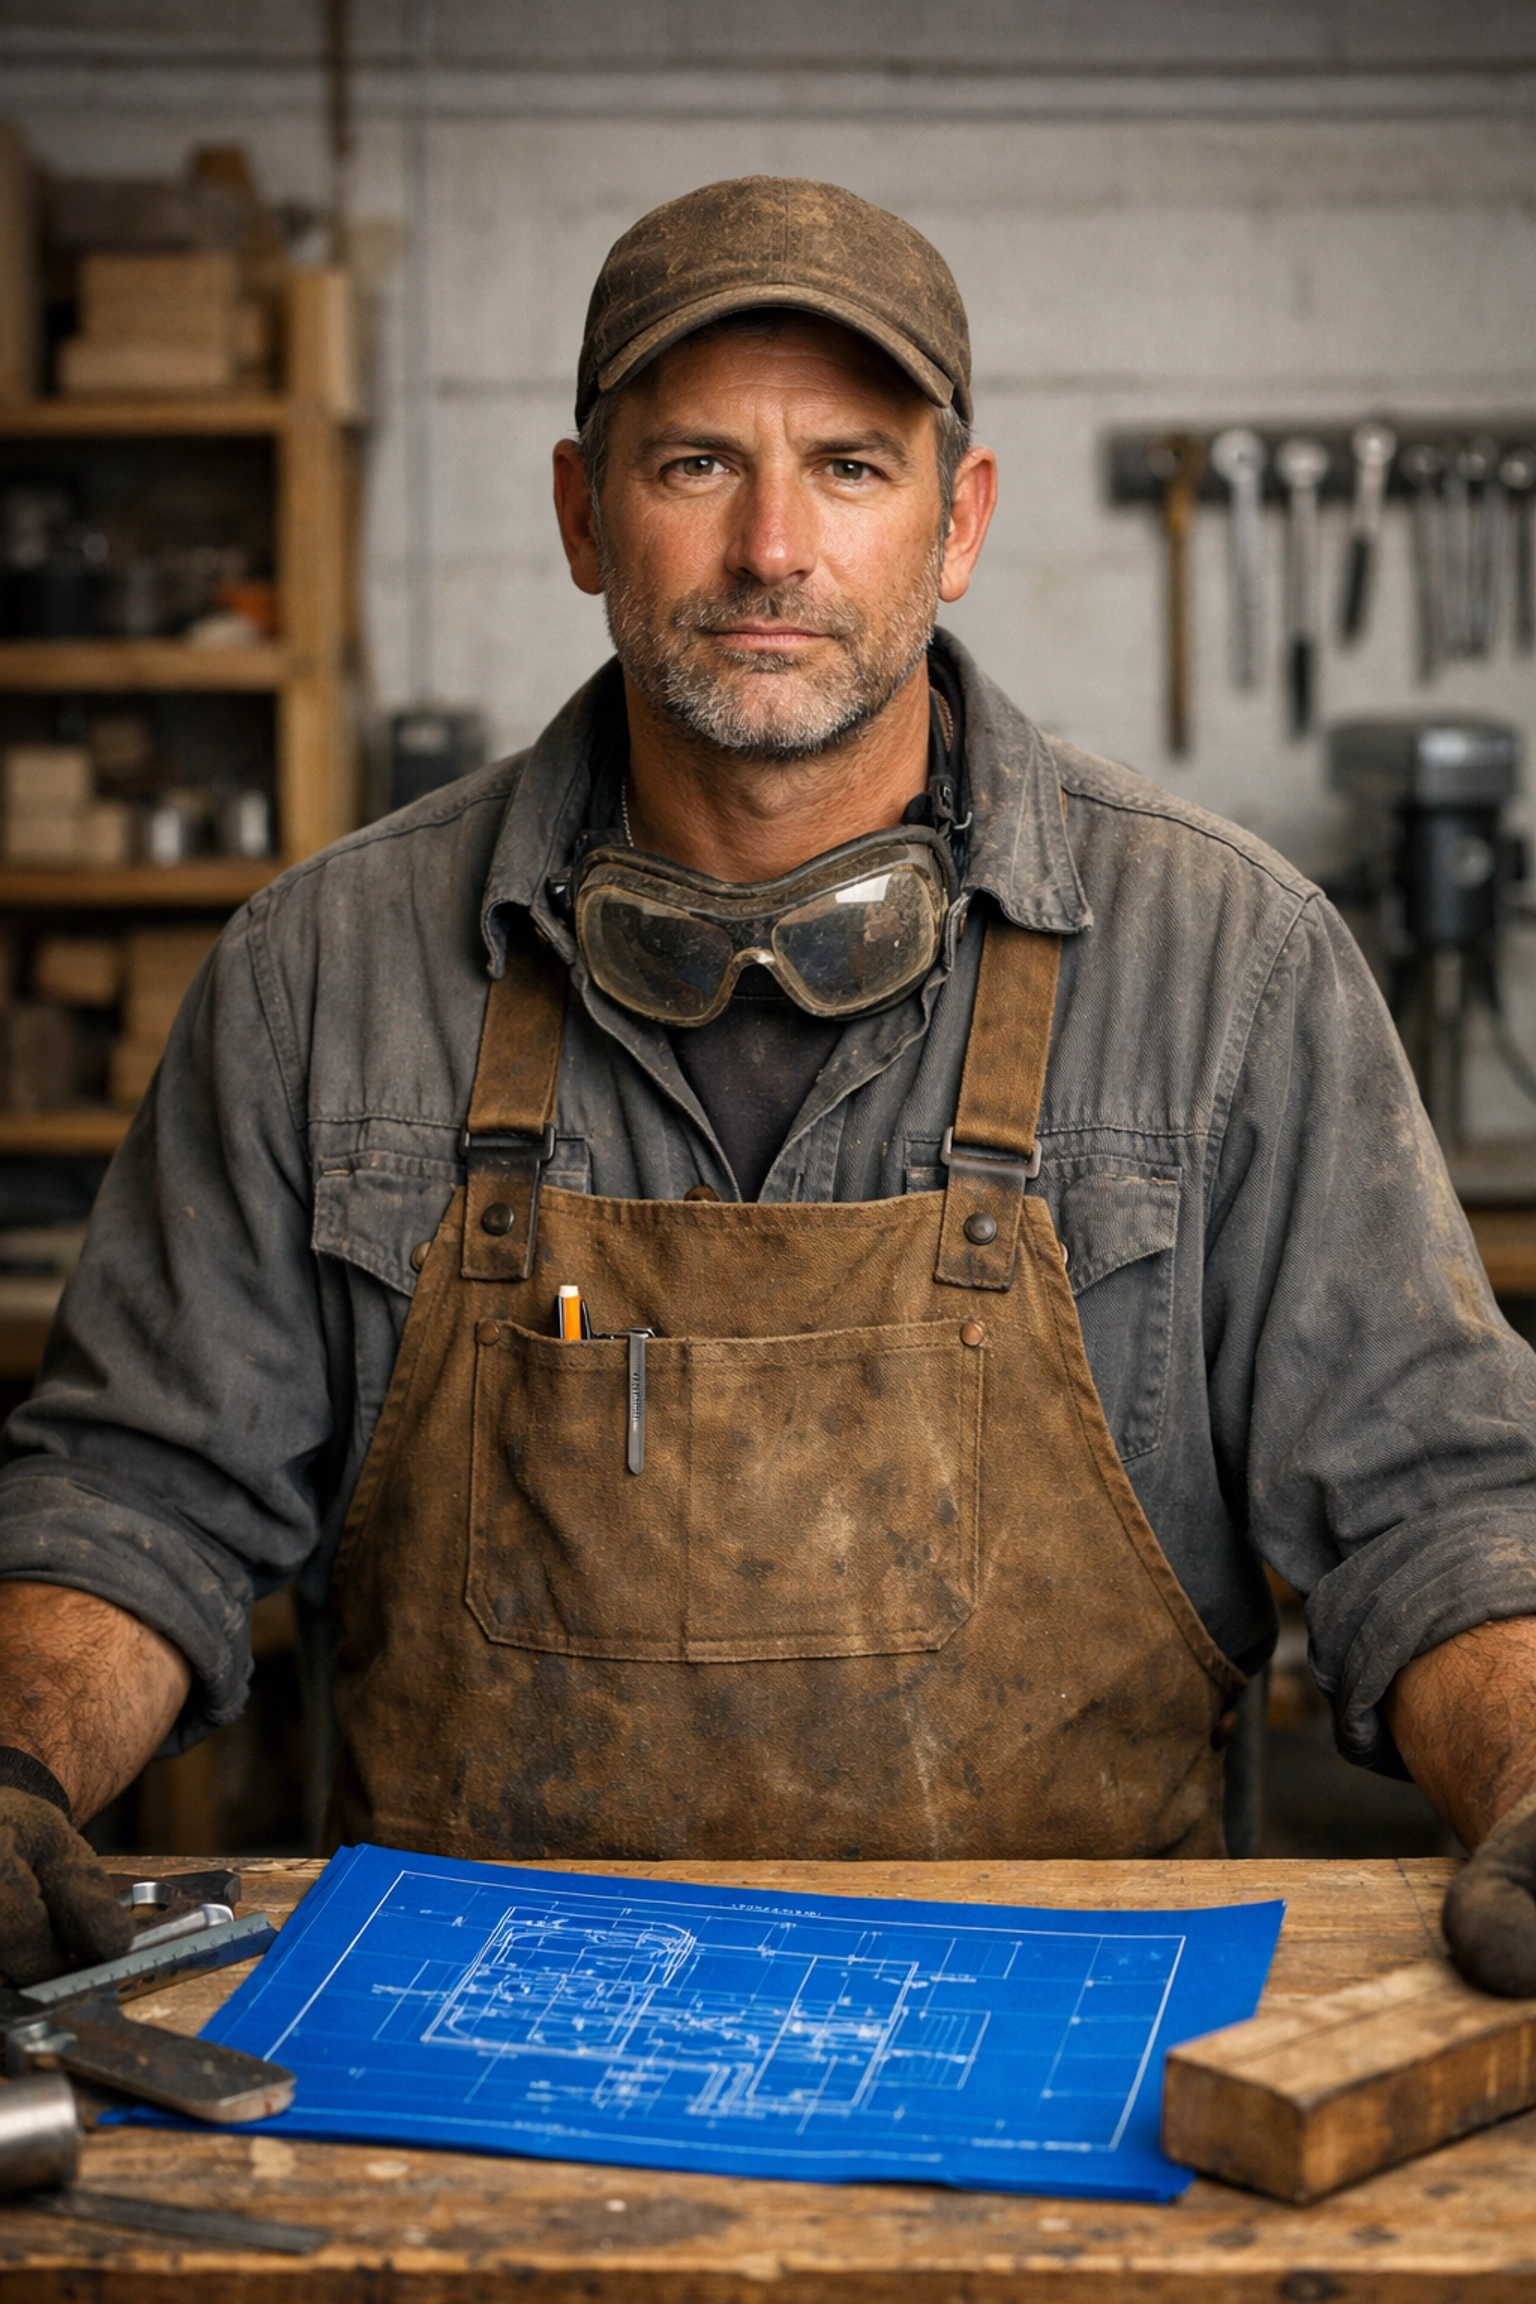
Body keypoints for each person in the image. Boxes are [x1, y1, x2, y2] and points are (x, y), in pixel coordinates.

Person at [1, 176, 1535, 1998]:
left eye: (855, 469)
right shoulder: (321, 977)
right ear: (584, 515)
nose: (772, 550)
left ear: (959, 522)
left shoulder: (1229, 967)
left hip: (1071, 2036)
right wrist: (17, 1772)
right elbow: (136, 1495)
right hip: (466, 2059)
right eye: (694, 466)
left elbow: (1435, 1507)